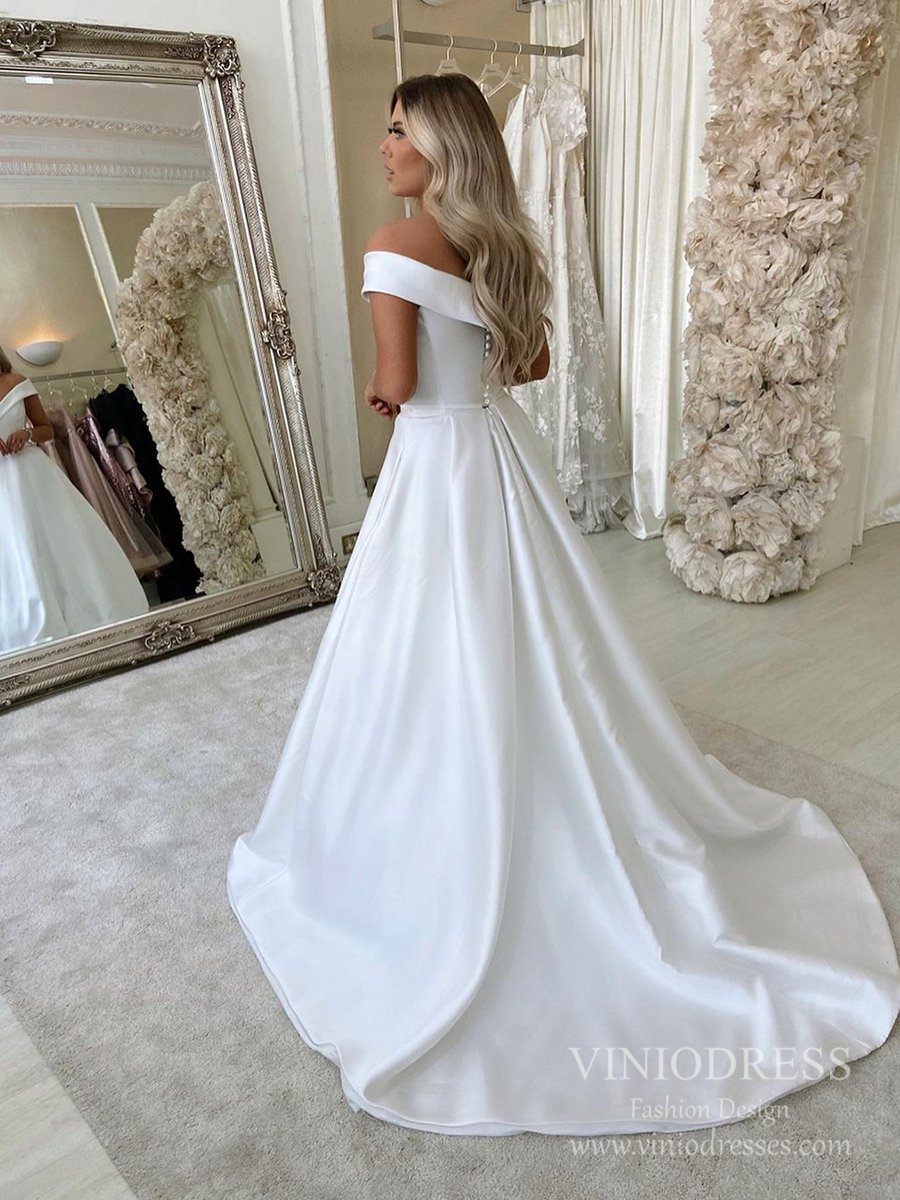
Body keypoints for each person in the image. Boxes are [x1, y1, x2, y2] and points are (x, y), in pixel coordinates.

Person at [226, 74, 900, 1137]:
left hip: (437, 463)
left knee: (421, 635)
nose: (385, 147)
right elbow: (531, 366)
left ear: (441, 146)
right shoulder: (503, 245)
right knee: (538, 628)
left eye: (399, 132)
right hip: (501, 455)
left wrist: (384, 382)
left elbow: (396, 386)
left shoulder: (394, 243)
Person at [0, 354, 149, 654]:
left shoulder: (17, 382)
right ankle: (27, 623)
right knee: (14, 546)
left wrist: (26, 434)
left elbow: (46, 429)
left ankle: (87, 611)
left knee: (56, 539)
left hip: (32, 473)